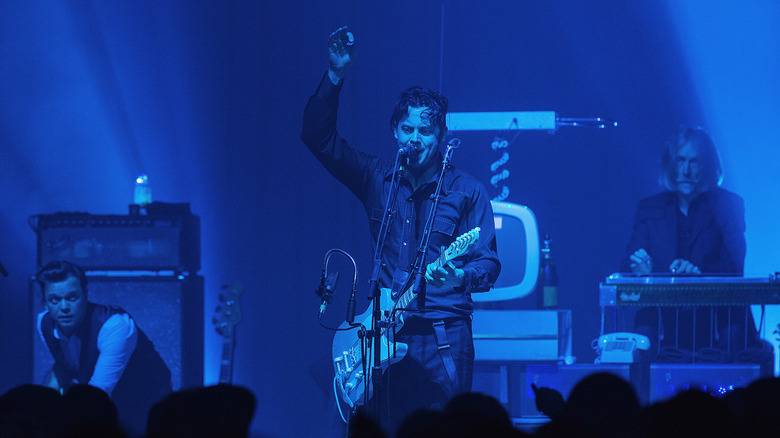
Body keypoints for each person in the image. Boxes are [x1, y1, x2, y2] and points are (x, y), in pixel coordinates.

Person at [301, 27, 501, 432]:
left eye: (426, 131)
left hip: (443, 334)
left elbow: (490, 263)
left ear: (441, 137)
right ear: (395, 131)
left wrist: (461, 274)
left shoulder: (466, 191)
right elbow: (317, 139)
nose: (416, 139)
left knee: (449, 429)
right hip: (385, 331)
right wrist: (335, 75)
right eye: (408, 129)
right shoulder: (378, 179)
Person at [620, 127, 758, 361]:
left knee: (733, 321)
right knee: (645, 322)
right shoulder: (649, 208)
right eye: (680, 160)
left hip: (716, 315)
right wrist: (639, 269)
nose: (685, 170)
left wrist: (698, 273)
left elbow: (735, 267)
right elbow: (626, 264)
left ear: (708, 166)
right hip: (667, 317)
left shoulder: (728, 205)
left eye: (694, 162)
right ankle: (644, 392)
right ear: (670, 164)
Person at [36, 260, 172, 436]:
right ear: (45, 301)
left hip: (147, 405)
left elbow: (97, 395)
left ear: (85, 295)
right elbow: (63, 365)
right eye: (54, 300)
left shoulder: (114, 326)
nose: (64, 308)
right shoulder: (44, 323)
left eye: (71, 298)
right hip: (101, 406)